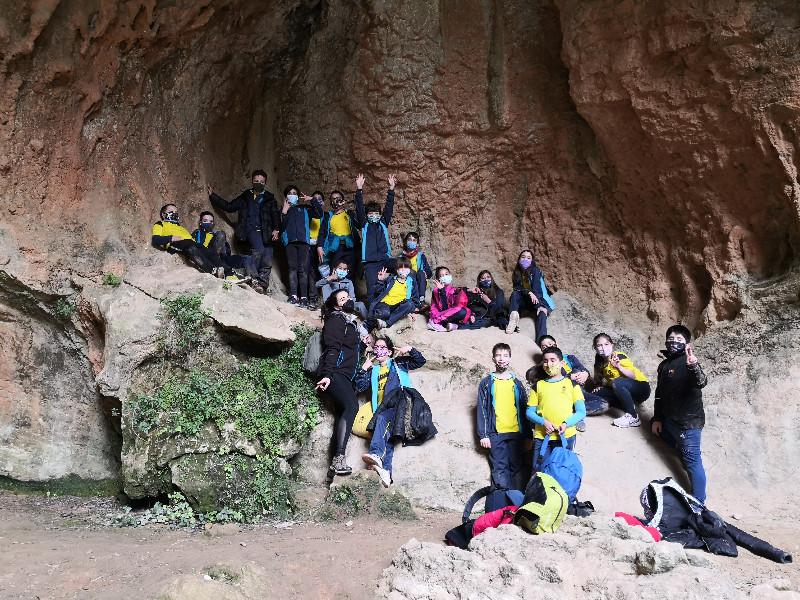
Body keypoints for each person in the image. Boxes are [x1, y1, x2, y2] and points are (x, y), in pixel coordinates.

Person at [354, 337, 426, 487]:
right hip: (383, 408)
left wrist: (410, 349)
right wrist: (363, 369)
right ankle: (386, 473)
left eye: (382, 347)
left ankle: (376, 454)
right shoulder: (374, 371)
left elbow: (420, 361)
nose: (378, 350)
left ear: (389, 352)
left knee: (381, 419)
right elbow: (359, 387)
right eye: (376, 347)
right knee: (387, 439)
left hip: (401, 406)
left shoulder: (398, 364)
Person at [315, 289, 370, 476]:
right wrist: (327, 374)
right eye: (342, 299)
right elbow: (333, 347)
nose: (348, 300)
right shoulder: (336, 319)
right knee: (352, 406)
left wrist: (362, 344)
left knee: (342, 415)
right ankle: (339, 459)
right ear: (336, 305)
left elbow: (348, 349)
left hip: (345, 376)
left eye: (348, 297)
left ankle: (333, 467)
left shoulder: (350, 323)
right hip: (334, 373)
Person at [651, 325, 709, 502]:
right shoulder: (664, 365)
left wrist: (694, 366)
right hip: (670, 420)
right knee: (655, 427)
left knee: (692, 462)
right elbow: (659, 394)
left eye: (679, 340)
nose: (674, 342)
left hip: (688, 423)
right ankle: (679, 447)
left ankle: (698, 503)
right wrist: (657, 418)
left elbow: (701, 382)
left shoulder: (688, 361)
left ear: (686, 344)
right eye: (671, 339)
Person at [208, 169, 281, 288]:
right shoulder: (246, 196)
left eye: (261, 181)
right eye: (256, 181)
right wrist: (213, 196)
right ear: (252, 181)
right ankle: (254, 279)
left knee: (268, 256)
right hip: (251, 230)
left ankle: (262, 285)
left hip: (267, 231)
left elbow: (275, 215)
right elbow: (229, 206)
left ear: (265, 182)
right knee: (258, 251)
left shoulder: (269, 198)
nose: (259, 183)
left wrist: (276, 229)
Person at [476, 343, 529, 491]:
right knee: (499, 467)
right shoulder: (486, 383)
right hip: (496, 433)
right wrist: (484, 435)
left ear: (510, 358)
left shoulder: (517, 383)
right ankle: (500, 498)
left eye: (505, 355)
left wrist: (528, 436)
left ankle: (516, 498)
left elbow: (524, 409)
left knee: (516, 466)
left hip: (516, 432)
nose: (501, 359)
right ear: (493, 358)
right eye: (498, 355)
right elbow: (482, 410)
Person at [526, 346, 586, 472]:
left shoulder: (572, 384)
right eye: (545, 361)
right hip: (542, 437)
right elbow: (529, 412)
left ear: (562, 363)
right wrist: (543, 422)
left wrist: (566, 424)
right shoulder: (538, 386)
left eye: (553, 360)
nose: (549, 364)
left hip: (566, 436)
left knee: (561, 472)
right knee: (538, 472)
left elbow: (581, 412)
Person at [538, 335, 608, 422]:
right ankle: (569, 412)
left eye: (550, 344)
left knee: (603, 404)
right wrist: (570, 377)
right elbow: (550, 379)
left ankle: (572, 411)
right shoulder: (545, 365)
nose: (549, 347)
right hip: (564, 392)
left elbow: (583, 369)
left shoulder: (570, 358)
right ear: (541, 350)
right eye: (544, 347)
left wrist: (585, 374)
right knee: (575, 371)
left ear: (556, 344)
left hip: (580, 391)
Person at [151, 203, 231, 277]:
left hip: (190, 242)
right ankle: (213, 271)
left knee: (209, 251)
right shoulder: (160, 224)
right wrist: (171, 238)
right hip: (176, 243)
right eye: (171, 211)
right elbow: (155, 239)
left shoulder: (181, 228)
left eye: (176, 212)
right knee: (191, 248)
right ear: (163, 214)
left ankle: (229, 273)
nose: (174, 213)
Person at [591, 333, 651, 428]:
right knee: (597, 393)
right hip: (623, 390)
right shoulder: (600, 364)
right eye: (599, 345)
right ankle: (631, 405)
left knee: (617, 382)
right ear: (595, 348)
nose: (603, 347)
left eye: (606, 344)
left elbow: (632, 376)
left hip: (641, 387)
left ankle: (633, 417)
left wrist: (619, 367)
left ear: (612, 345)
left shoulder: (619, 356)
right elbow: (599, 380)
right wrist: (598, 387)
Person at [280, 184, 324, 307]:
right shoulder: (283, 210)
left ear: (298, 196)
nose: (292, 195)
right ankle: (293, 296)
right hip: (290, 243)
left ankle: (304, 297)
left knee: (303, 270)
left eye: (295, 193)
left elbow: (319, 214)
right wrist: (284, 211)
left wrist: (312, 200)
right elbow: (281, 227)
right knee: (292, 269)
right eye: (290, 193)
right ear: (286, 196)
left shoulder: (305, 209)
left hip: (304, 243)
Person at [355, 173, 396, 300]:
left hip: (385, 260)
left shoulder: (383, 222)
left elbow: (389, 207)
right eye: (371, 213)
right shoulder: (364, 224)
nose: (374, 215)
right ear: (367, 215)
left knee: (402, 266)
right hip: (370, 263)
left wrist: (391, 189)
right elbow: (359, 208)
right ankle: (372, 310)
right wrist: (359, 189)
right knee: (372, 290)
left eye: (376, 213)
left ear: (380, 214)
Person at [506, 250, 554, 341]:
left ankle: (542, 341)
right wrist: (529, 292)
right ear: (519, 259)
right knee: (515, 294)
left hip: (538, 299)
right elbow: (517, 288)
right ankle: (513, 318)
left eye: (528, 258)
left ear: (532, 261)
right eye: (523, 257)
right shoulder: (517, 273)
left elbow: (538, 290)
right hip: (527, 300)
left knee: (542, 314)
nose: (525, 260)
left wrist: (540, 306)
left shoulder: (535, 271)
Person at [191, 212, 253, 281]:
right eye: (205, 221)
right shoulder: (197, 233)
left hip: (221, 258)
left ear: (213, 224)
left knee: (246, 258)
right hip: (208, 256)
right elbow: (194, 246)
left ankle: (253, 279)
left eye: (211, 221)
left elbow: (226, 252)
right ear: (200, 223)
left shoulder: (216, 235)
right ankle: (229, 273)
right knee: (218, 239)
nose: (208, 223)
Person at [369, 257, 417, 330]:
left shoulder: (411, 282)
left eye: (406, 267)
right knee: (384, 313)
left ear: (410, 269)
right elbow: (378, 291)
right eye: (401, 268)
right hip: (385, 304)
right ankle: (372, 320)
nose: (404, 270)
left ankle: (386, 323)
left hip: (398, 306)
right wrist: (380, 281)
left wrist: (411, 312)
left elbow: (415, 297)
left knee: (410, 304)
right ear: (397, 270)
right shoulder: (390, 279)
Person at [318, 189, 358, 272]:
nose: (336, 201)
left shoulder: (349, 214)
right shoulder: (328, 216)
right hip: (335, 247)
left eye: (338, 198)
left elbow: (359, 224)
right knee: (335, 271)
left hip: (349, 246)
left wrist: (348, 205)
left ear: (342, 200)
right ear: (330, 202)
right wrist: (319, 246)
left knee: (350, 271)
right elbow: (322, 232)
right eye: (333, 199)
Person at [428, 267, 472, 332]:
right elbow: (444, 308)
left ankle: (453, 325)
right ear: (438, 279)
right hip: (439, 314)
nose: (445, 276)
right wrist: (442, 291)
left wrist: (470, 290)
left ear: (450, 275)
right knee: (461, 311)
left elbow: (458, 304)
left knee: (465, 312)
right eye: (442, 275)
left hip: (450, 314)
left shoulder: (453, 289)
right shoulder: (436, 291)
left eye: (446, 274)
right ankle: (435, 322)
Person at [399, 232, 432, 308]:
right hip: (407, 281)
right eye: (409, 239)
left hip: (420, 281)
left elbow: (429, 273)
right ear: (405, 242)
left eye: (414, 240)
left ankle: (421, 299)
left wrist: (425, 273)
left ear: (417, 244)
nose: (412, 242)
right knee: (411, 272)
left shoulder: (421, 256)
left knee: (420, 273)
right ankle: (411, 301)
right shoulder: (401, 257)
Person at [307, 190, 325, 308]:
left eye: (319, 199)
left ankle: (326, 299)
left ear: (323, 202)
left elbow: (325, 232)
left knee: (324, 272)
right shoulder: (308, 213)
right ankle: (313, 298)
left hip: (322, 247)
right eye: (314, 199)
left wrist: (320, 245)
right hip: (309, 246)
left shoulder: (326, 215)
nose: (317, 201)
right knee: (311, 271)